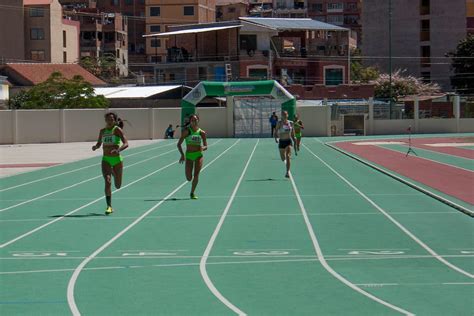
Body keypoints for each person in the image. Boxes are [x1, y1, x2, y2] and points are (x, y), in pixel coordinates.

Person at [92, 112, 129, 215]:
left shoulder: (117, 130)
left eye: (112, 119)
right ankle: (109, 206)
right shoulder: (102, 131)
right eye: (108, 119)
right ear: (105, 120)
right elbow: (99, 143)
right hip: (106, 159)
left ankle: (113, 172)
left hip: (117, 160)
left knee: (118, 186)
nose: (109, 121)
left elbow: (126, 143)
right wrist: (96, 147)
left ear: (115, 120)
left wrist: (118, 150)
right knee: (107, 182)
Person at [177, 114, 207, 199]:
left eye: (195, 120)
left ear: (198, 121)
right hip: (189, 156)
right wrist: (182, 155)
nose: (194, 121)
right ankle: (190, 182)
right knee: (189, 178)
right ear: (190, 122)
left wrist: (202, 148)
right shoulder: (187, 131)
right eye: (192, 120)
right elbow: (178, 144)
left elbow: (206, 146)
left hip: (198, 155)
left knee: (196, 175)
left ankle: (192, 193)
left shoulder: (202, 133)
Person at [274, 111, 295, 178]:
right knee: (283, 158)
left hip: (288, 141)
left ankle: (287, 172)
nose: (285, 116)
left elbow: (292, 134)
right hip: (282, 141)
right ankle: (285, 162)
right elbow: (276, 131)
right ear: (282, 115)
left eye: (286, 114)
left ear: (287, 115)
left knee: (288, 156)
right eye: (283, 115)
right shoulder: (279, 123)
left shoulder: (291, 123)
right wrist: (276, 138)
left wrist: (294, 141)